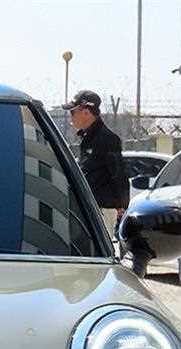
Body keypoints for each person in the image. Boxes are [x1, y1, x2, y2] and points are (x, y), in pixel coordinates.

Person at [62, 90, 130, 239]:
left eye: (73, 112)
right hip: (89, 207)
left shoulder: (106, 139)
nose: (71, 117)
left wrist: (122, 205)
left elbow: (119, 173)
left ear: (86, 113)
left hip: (102, 209)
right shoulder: (88, 137)